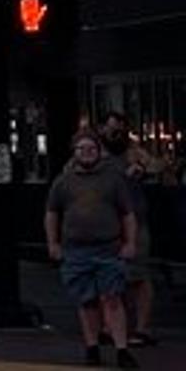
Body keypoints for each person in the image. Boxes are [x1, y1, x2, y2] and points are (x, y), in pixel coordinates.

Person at [48, 128, 140, 369]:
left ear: (99, 152)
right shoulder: (63, 182)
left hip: (108, 248)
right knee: (86, 300)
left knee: (113, 298)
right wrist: (53, 243)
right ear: (74, 152)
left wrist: (130, 242)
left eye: (91, 149)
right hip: (75, 250)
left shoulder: (113, 180)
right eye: (81, 149)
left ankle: (122, 348)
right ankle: (92, 346)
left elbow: (128, 214)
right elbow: (52, 214)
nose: (87, 153)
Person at [100, 111, 158, 349]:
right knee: (106, 275)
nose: (116, 134)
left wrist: (141, 166)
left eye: (120, 130)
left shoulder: (134, 151)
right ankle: (108, 327)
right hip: (105, 222)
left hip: (134, 220)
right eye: (112, 129)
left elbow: (157, 165)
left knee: (138, 275)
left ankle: (141, 329)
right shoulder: (96, 153)